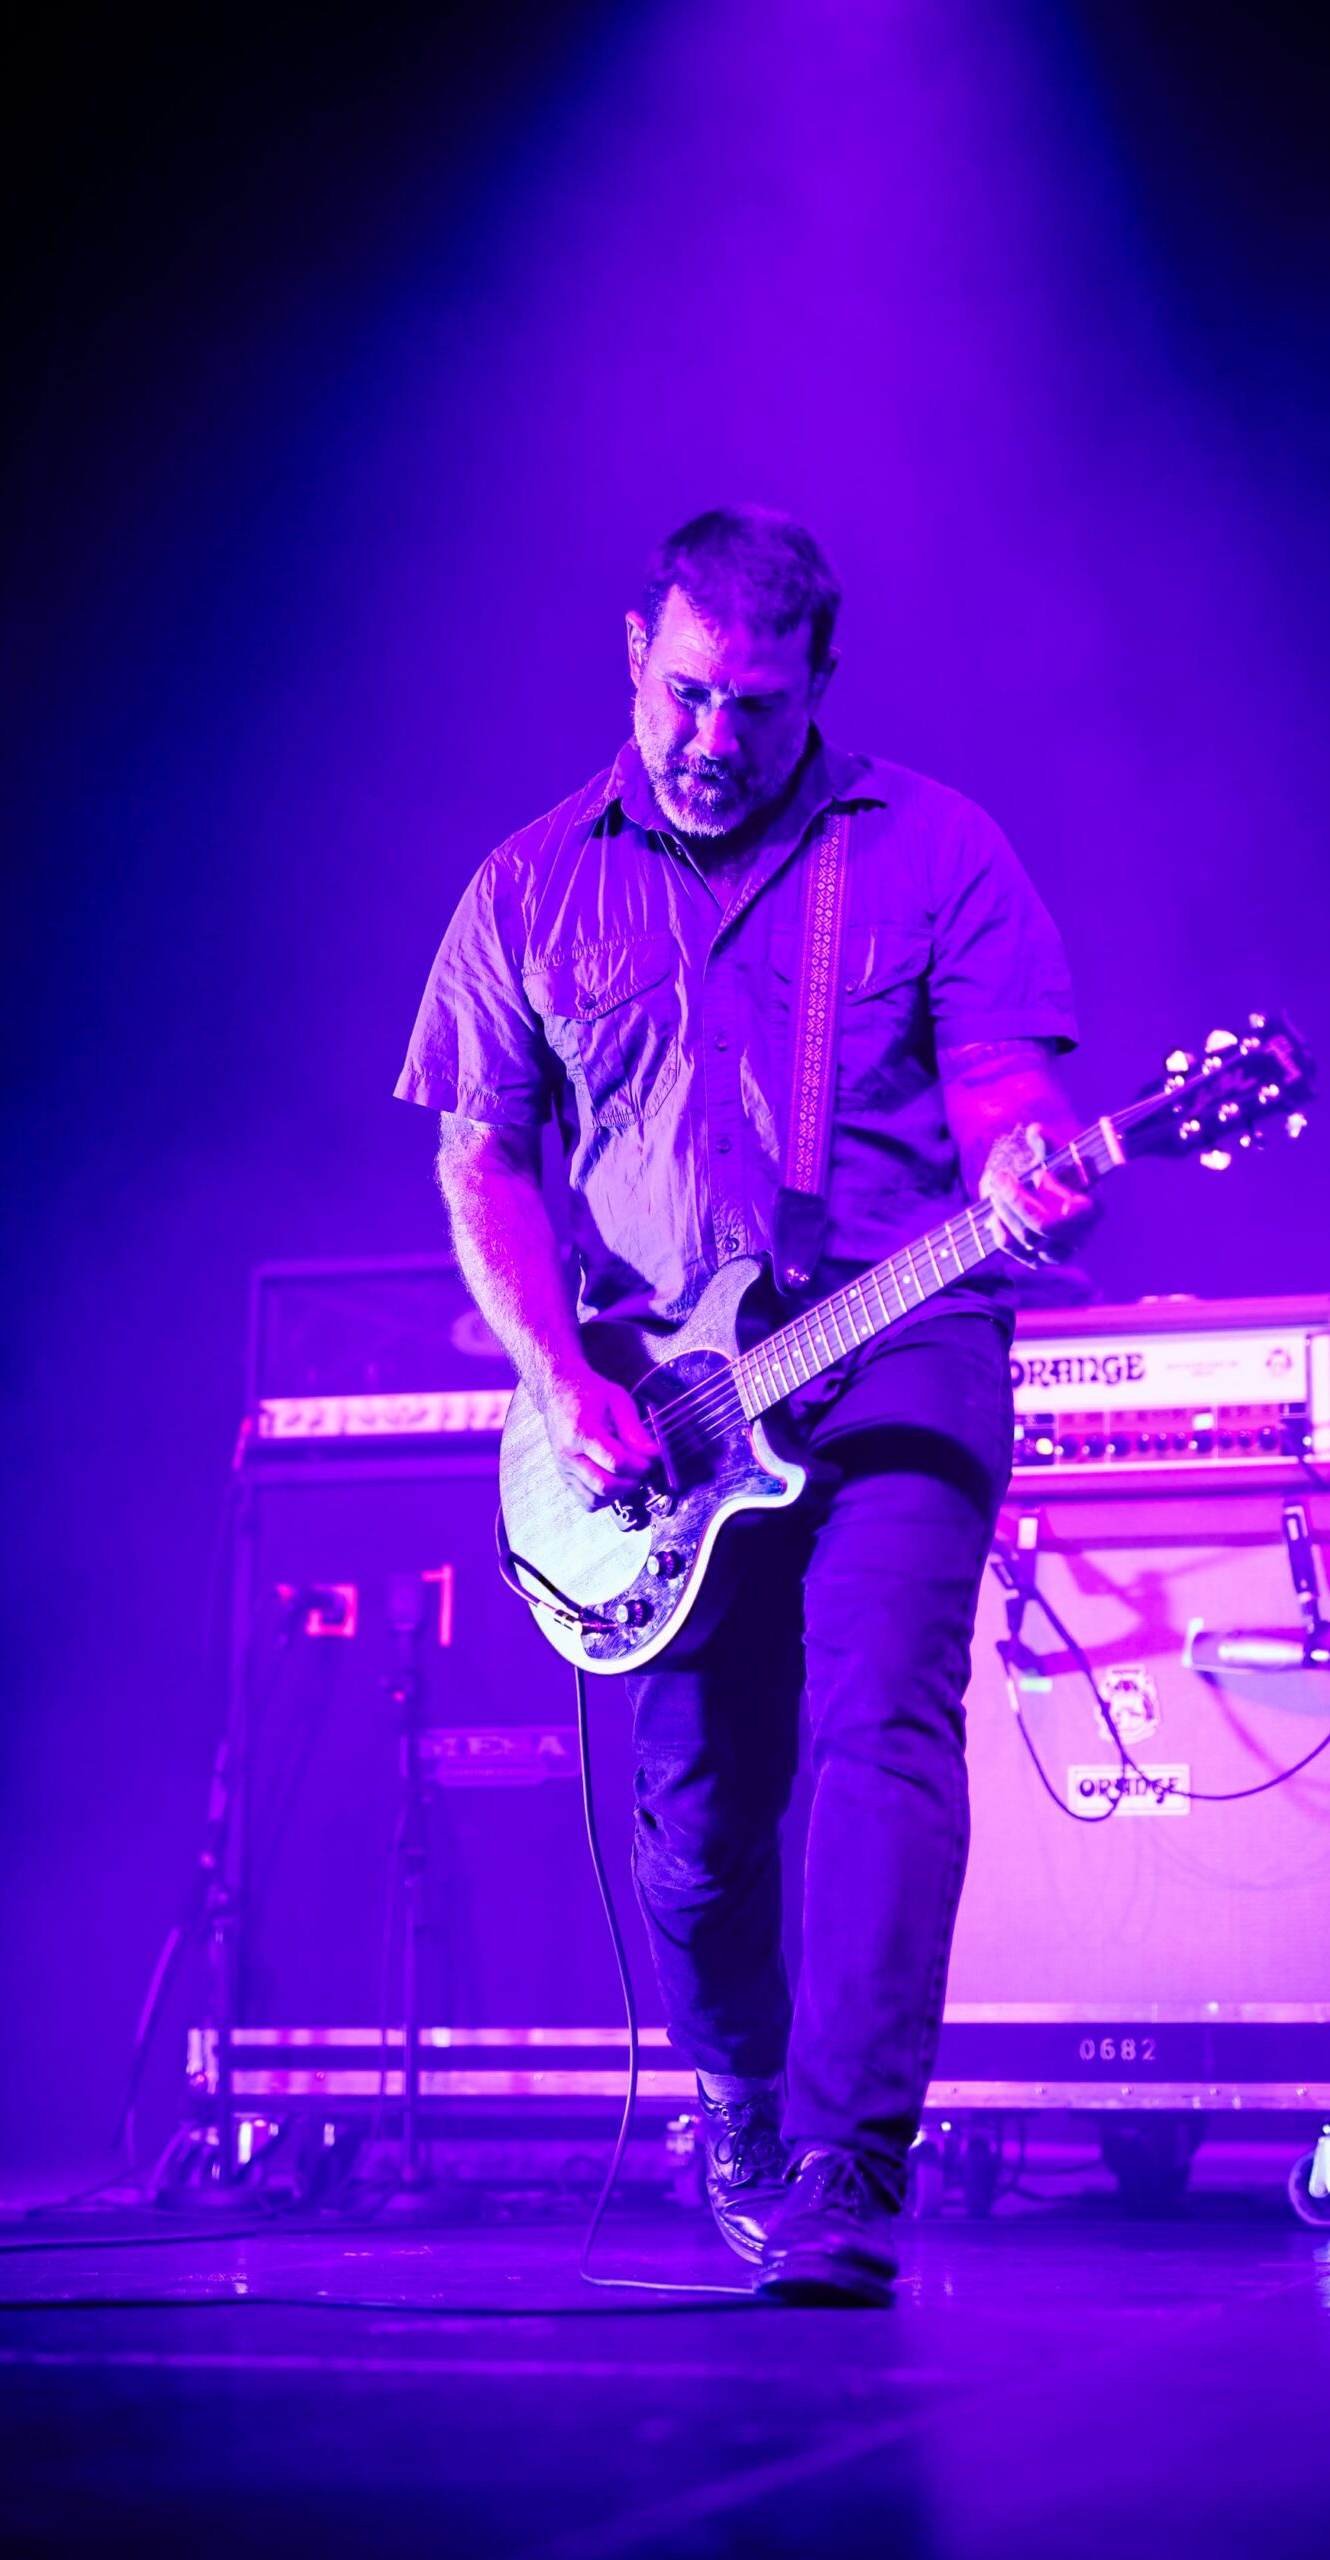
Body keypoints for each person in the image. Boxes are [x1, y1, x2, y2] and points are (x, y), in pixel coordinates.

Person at [397, 506, 1090, 2304]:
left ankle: (851, 2171)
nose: (716, 738)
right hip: (665, 1399)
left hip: (903, 1336)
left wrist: (1026, 1164)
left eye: (759, 707)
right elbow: (484, 1165)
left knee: (883, 1727)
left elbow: (1004, 1090)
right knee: (700, 1828)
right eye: (689, 695)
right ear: (634, 655)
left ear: (820, 685)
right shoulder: (529, 886)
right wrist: (558, 1379)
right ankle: (740, 2100)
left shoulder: (934, 848)